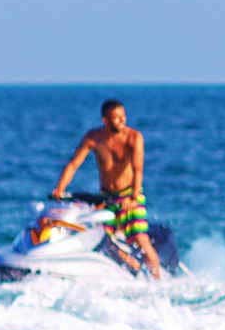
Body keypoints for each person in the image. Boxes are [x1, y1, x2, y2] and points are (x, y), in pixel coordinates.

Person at [47, 99, 167, 278]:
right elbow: (73, 164)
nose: (121, 121)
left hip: (130, 196)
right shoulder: (94, 138)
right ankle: (135, 269)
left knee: (140, 239)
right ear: (105, 120)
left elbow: (138, 169)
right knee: (106, 242)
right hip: (107, 199)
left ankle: (158, 280)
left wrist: (133, 198)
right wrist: (59, 189)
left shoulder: (134, 137)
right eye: (116, 118)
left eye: (123, 117)